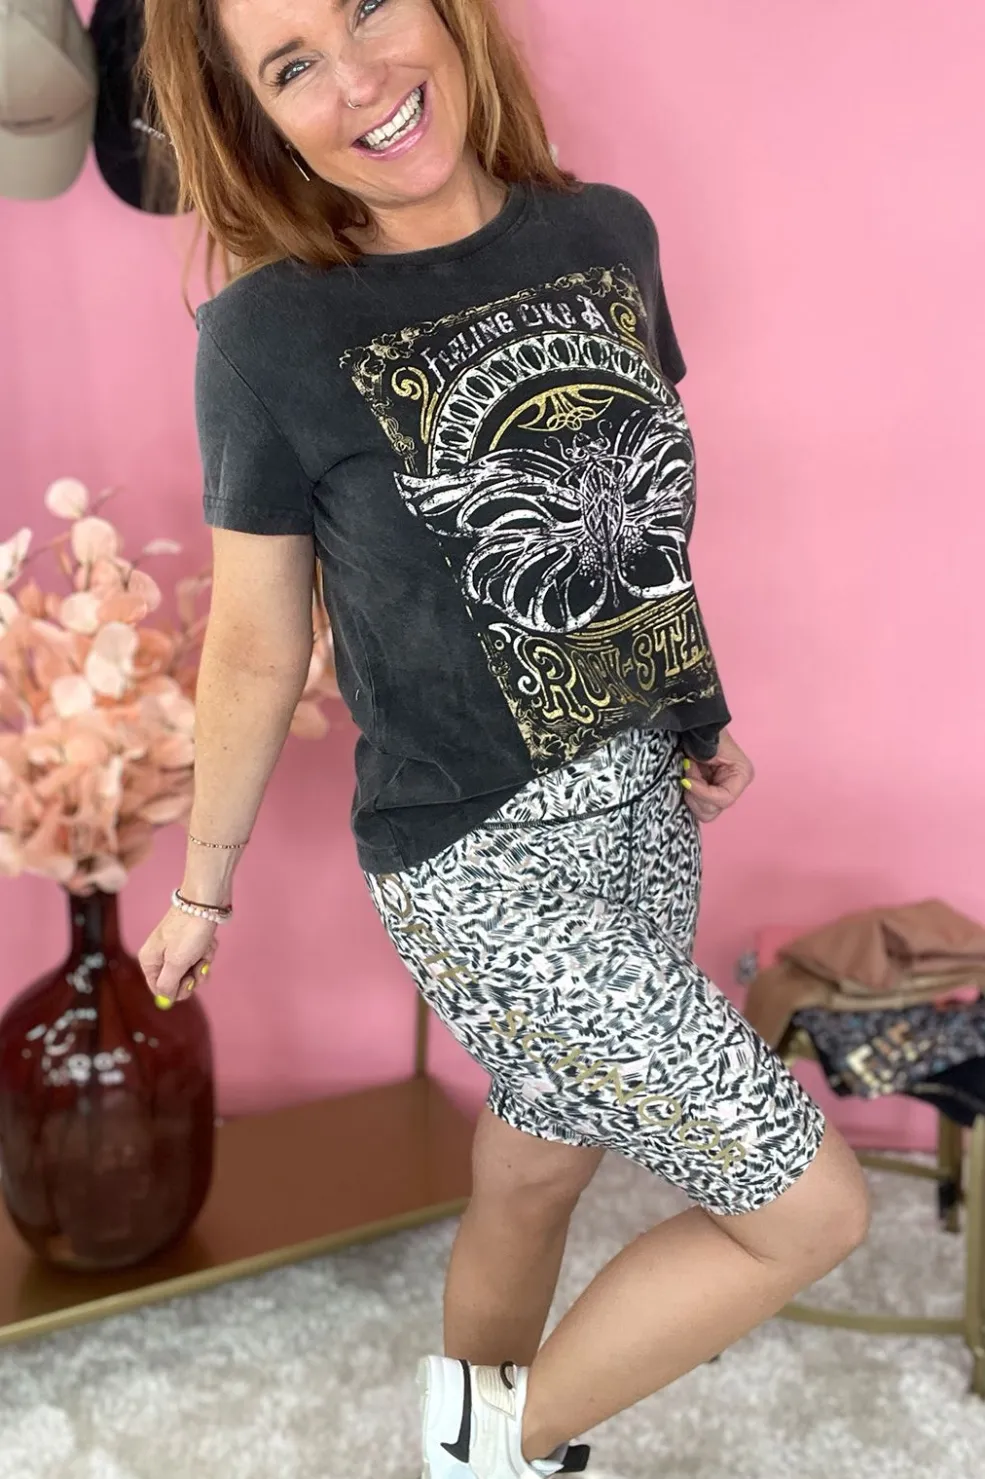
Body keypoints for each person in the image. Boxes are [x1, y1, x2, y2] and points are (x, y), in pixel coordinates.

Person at [137, 1, 871, 1474]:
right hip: (479, 863)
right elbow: (258, 639)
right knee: (815, 1211)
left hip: (643, 812)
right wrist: (203, 887)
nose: (359, 79)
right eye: (293, 66)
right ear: (257, 121)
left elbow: (630, 504)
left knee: (536, 1170)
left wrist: (697, 708)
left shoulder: (606, 235)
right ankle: (489, 1443)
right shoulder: (271, 336)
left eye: (365, 6)